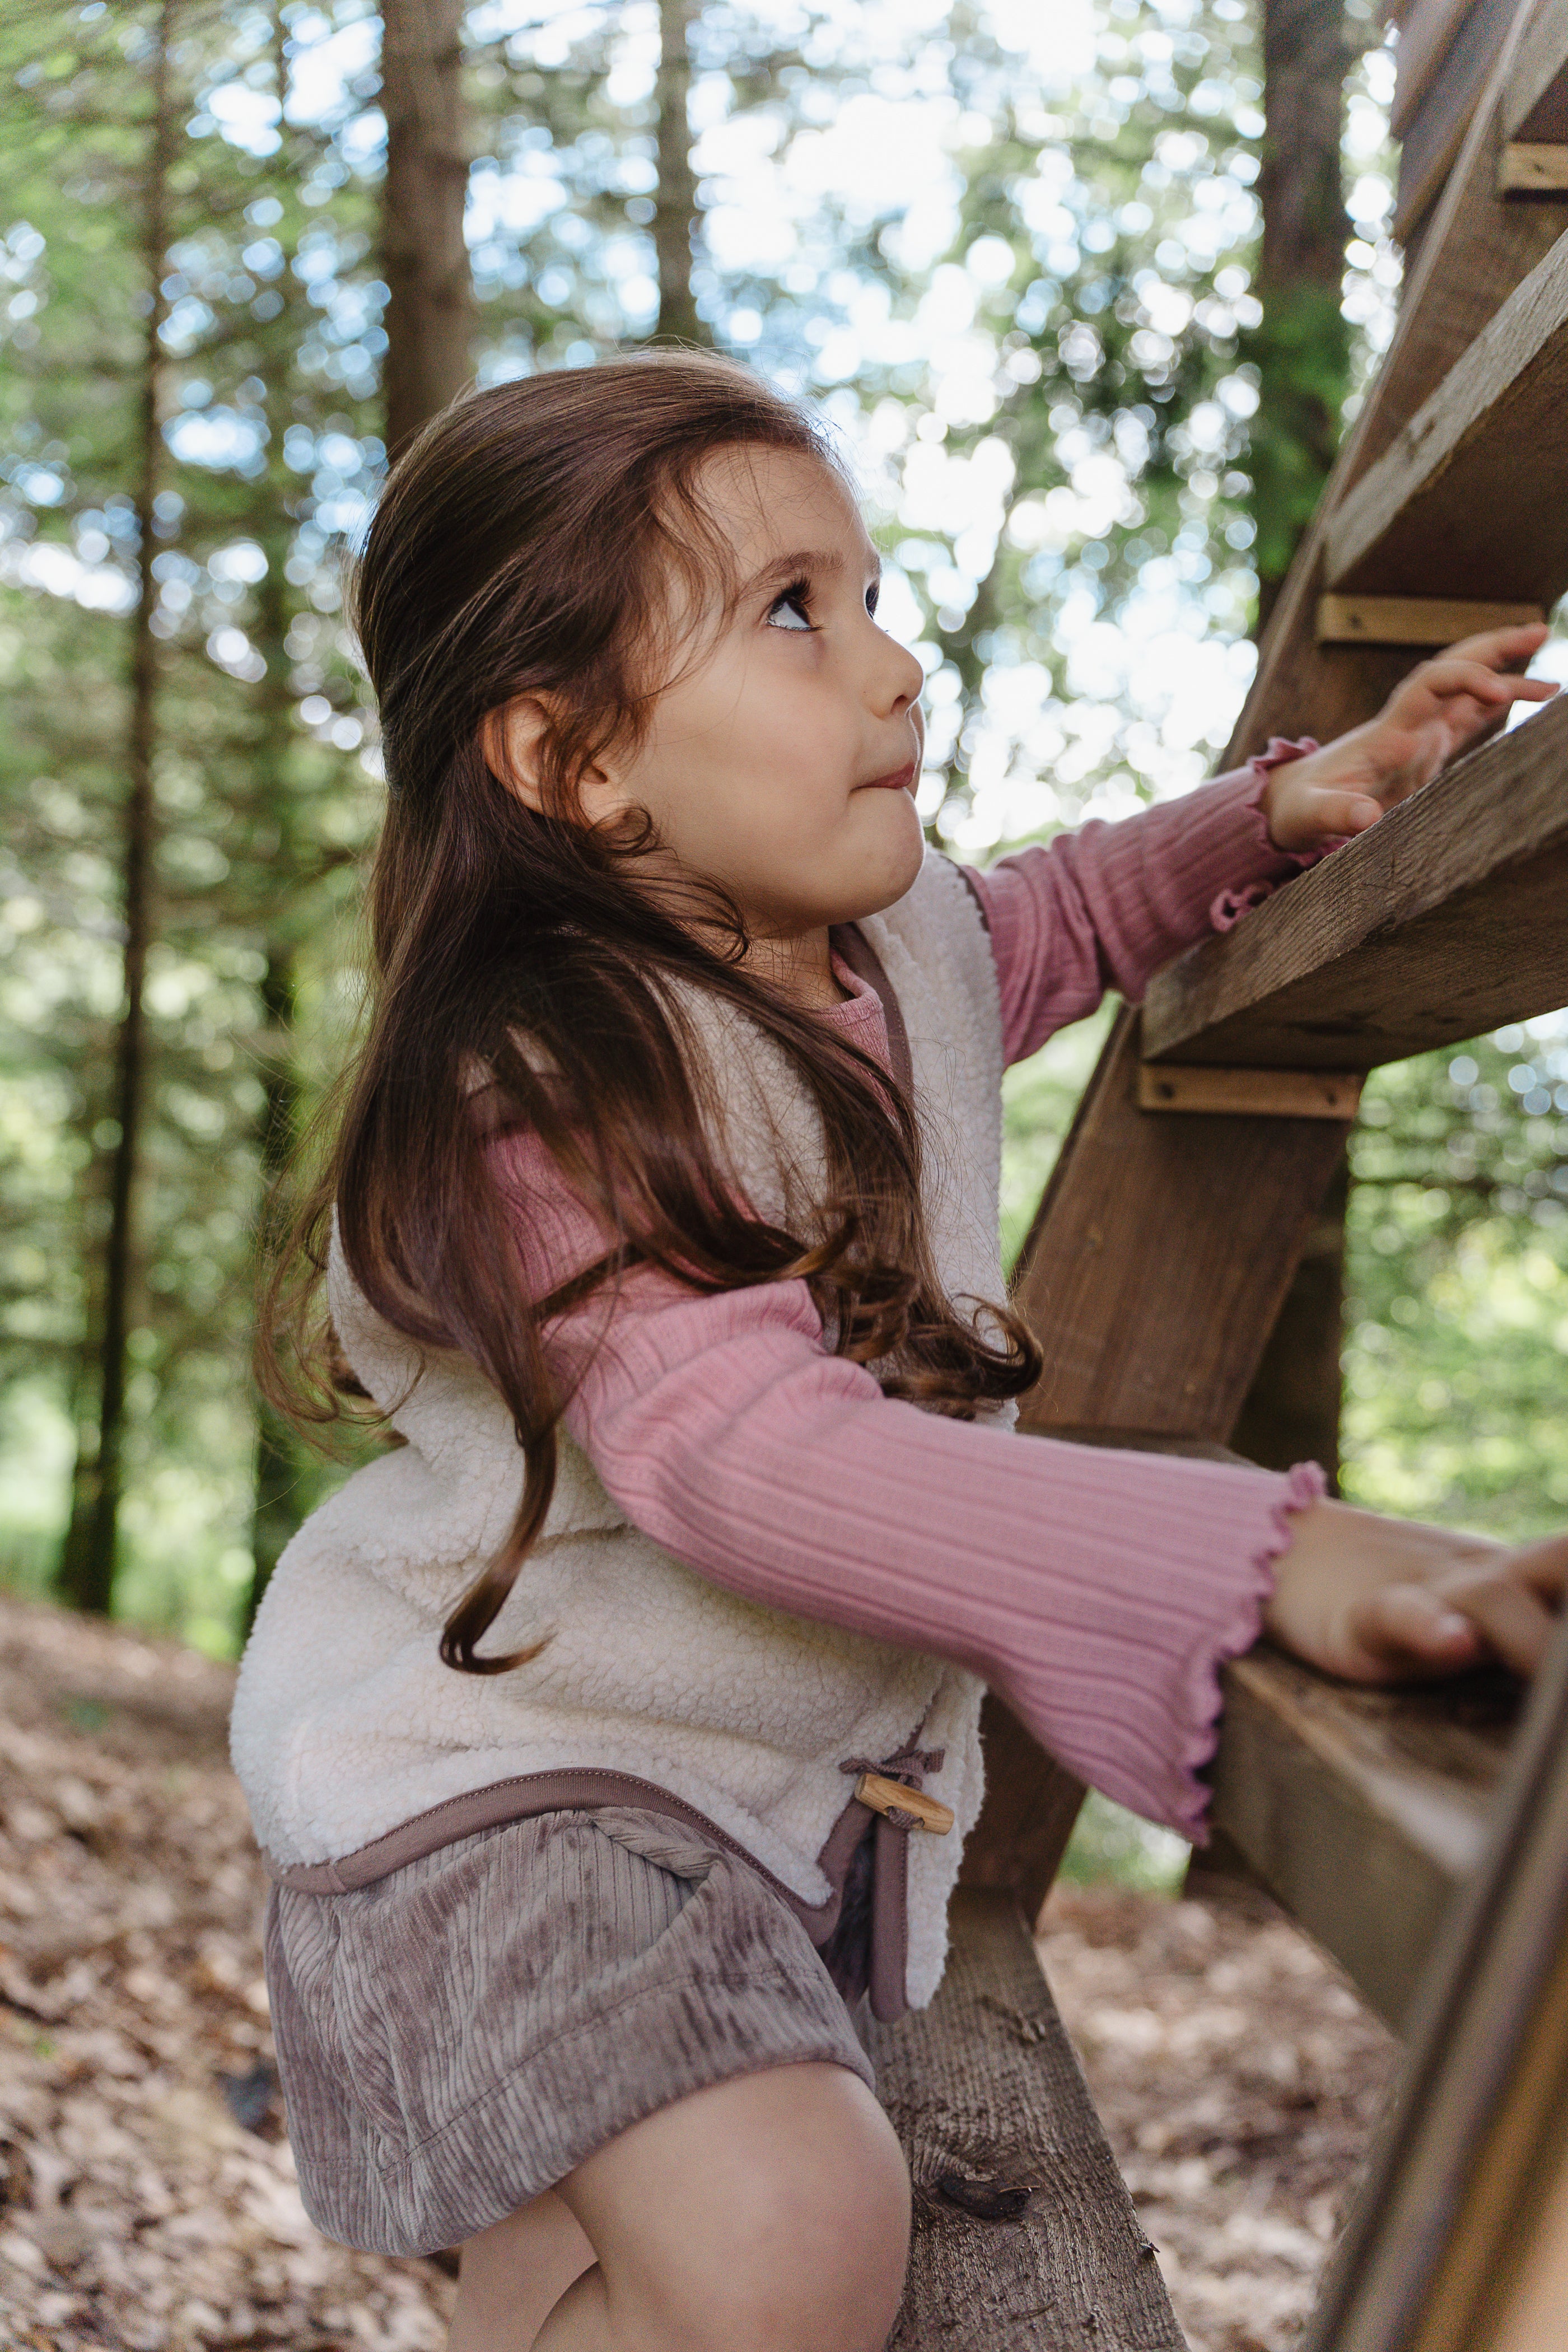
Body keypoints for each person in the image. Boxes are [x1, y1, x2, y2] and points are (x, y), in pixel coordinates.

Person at [233, 351, 1566, 2352]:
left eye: (870, 595)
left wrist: (1284, 807)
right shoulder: (539, 1089)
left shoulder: (890, 946)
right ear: (574, 759)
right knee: (788, 2245)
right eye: (795, 612)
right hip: (507, 1794)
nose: (895, 666)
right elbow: (751, 1459)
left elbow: (1054, 918)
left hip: (750, 1801)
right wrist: (1263, 1555)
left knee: (612, 2280)